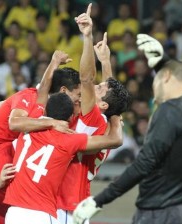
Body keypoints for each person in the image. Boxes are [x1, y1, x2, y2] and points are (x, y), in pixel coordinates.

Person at [73, 34, 182, 224]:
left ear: (166, 78)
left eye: (156, 78)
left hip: (159, 212)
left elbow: (145, 163)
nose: (154, 89)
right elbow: (113, 98)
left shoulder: (171, 110)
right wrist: (162, 63)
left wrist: (100, 200)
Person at [0, 50, 74, 224]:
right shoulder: (29, 96)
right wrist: (51, 123)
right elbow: (14, 123)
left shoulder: (41, 105)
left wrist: (54, 62)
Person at [57, 5, 131, 224]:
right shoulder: (109, 121)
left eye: (100, 90)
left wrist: (87, 37)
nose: (95, 87)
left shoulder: (93, 119)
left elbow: (87, 79)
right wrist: (106, 61)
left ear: (104, 106)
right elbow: (110, 91)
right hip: (77, 201)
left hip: (67, 205)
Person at [4, 92, 124, 224]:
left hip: (13, 212)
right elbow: (115, 140)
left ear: (44, 110)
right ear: (71, 117)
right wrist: (115, 114)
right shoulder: (69, 140)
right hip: (41, 213)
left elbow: (11, 118)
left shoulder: (26, 127)